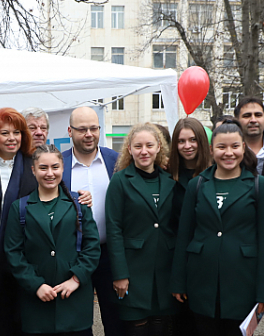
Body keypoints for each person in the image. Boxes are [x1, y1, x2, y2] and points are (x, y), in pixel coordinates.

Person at [0, 108, 92, 335]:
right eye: (5, 133)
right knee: (2, 323)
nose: (12, 138)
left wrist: (83, 197)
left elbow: (58, 189)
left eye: (17, 132)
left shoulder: (32, 163)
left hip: (31, 261)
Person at [170, 120, 264, 336]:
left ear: (243, 148)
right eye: (221, 147)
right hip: (201, 283)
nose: (229, 153)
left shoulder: (259, 185)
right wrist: (178, 281)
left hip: (242, 284)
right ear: (211, 150)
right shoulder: (197, 184)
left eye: (235, 146)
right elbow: (184, 236)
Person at [5, 144, 101, 335]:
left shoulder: (79, 205)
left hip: (75, 303)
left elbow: (92, 246)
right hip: (37, 306)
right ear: (33, 170)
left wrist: (76, 278)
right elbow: (14, 253)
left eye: (55, 167)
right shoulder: (20, 208)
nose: (50, 173)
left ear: (63, 168)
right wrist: (36, 284)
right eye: (43, 168)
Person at [105, 122, 177, 335]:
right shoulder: (120, 181)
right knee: (137, 326)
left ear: (158, 148)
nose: (144, 151)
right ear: (129, 149)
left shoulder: (170, 180)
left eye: (149, 145)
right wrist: (120, 274)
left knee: (160, 324)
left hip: (165, 269)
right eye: (138, 146)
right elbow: (114, 228)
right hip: (134, 270)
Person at [62, 106, 124, 336]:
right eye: (82, 129)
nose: (89, 134)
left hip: (110, 255)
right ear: (70, 131)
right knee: (77, 324)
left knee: (116, 321)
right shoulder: (59, 165)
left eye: (93, 128)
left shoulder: (116, 161)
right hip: (74, 257)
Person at [166, 117, 212, 336]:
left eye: (192, 140)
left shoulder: (215, 175)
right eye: (181, 141)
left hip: (206, 262)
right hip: (174, 259)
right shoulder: (167, 175)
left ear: (201, 141)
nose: (187, 146)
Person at [234, 97, 264, 176]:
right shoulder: (229, 149)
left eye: (258, 115)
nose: (253, 120)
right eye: (247, 116)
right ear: (237, 120)